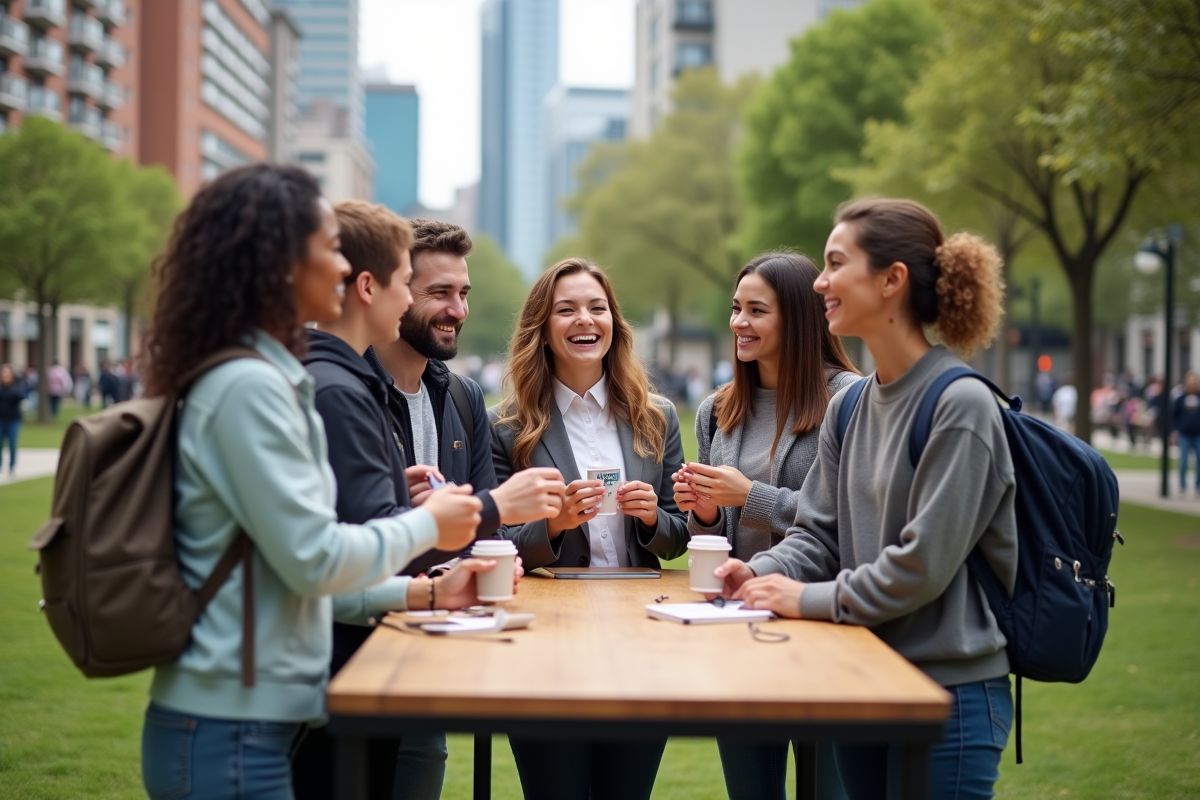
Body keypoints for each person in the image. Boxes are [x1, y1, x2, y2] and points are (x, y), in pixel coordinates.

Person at [137, 164, 488, 800]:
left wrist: (425, 594)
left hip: (253, 722)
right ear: (280, 265)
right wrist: (431, 522)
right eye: (329, 248)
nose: (345, 268)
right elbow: (316, 559)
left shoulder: (268, 378)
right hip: (228, 725)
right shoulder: (251, 387)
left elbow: (303, 574)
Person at [710, 198, 1016, 800]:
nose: (819, 282)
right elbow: (817, 534)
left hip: (946, 693)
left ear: (891, 280)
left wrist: (801, 597)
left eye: (835, 263)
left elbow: (919, 567)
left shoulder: (961, 405)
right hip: (860, 673)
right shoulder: (849, 406)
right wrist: (758, 572)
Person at [490, 257, 690, 800]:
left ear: (613, 323)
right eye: (567, 310)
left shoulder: (657, 416)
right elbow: (492, 545)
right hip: (546, 641)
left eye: (597, 307)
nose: (585, 319)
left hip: (639, 636)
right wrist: (552, 527)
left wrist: (651, 518)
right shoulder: (505, 426)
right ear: (542, 329)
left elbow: (680, 535)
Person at [673, 252, 859, 800]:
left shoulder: (849, 400)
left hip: (823, 625)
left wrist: (750, 496)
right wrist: (705, 511)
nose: (739, 323)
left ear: (798, 318)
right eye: (736, 308)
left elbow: (848, 517)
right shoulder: (717, 410)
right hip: (740, 626)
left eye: (757, 311)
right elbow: (713, 538)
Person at [370, 219, 567, 575]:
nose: (459, 311)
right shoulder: (350, 394)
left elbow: (490, 532)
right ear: (395, 291)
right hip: (384, 606)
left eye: (463, 294)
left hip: (460, 603)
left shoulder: (465, 397)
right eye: (440, 293)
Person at [1173, 372, 1200, 496]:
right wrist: (1174, 430)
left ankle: (1198, 485)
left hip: (1198, 434)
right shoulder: (1180, 399)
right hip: (1184, 434)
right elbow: (1174, 415)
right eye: (1190, 381)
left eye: (1194, 381)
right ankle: (1182, 485)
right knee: (1183, 461)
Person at [0, 364, 26, 475]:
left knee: (12, 443)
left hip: (13, 419)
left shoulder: (17, 386)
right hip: (1, 419)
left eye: (7, 373)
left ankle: (12, 465)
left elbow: (20, 396)